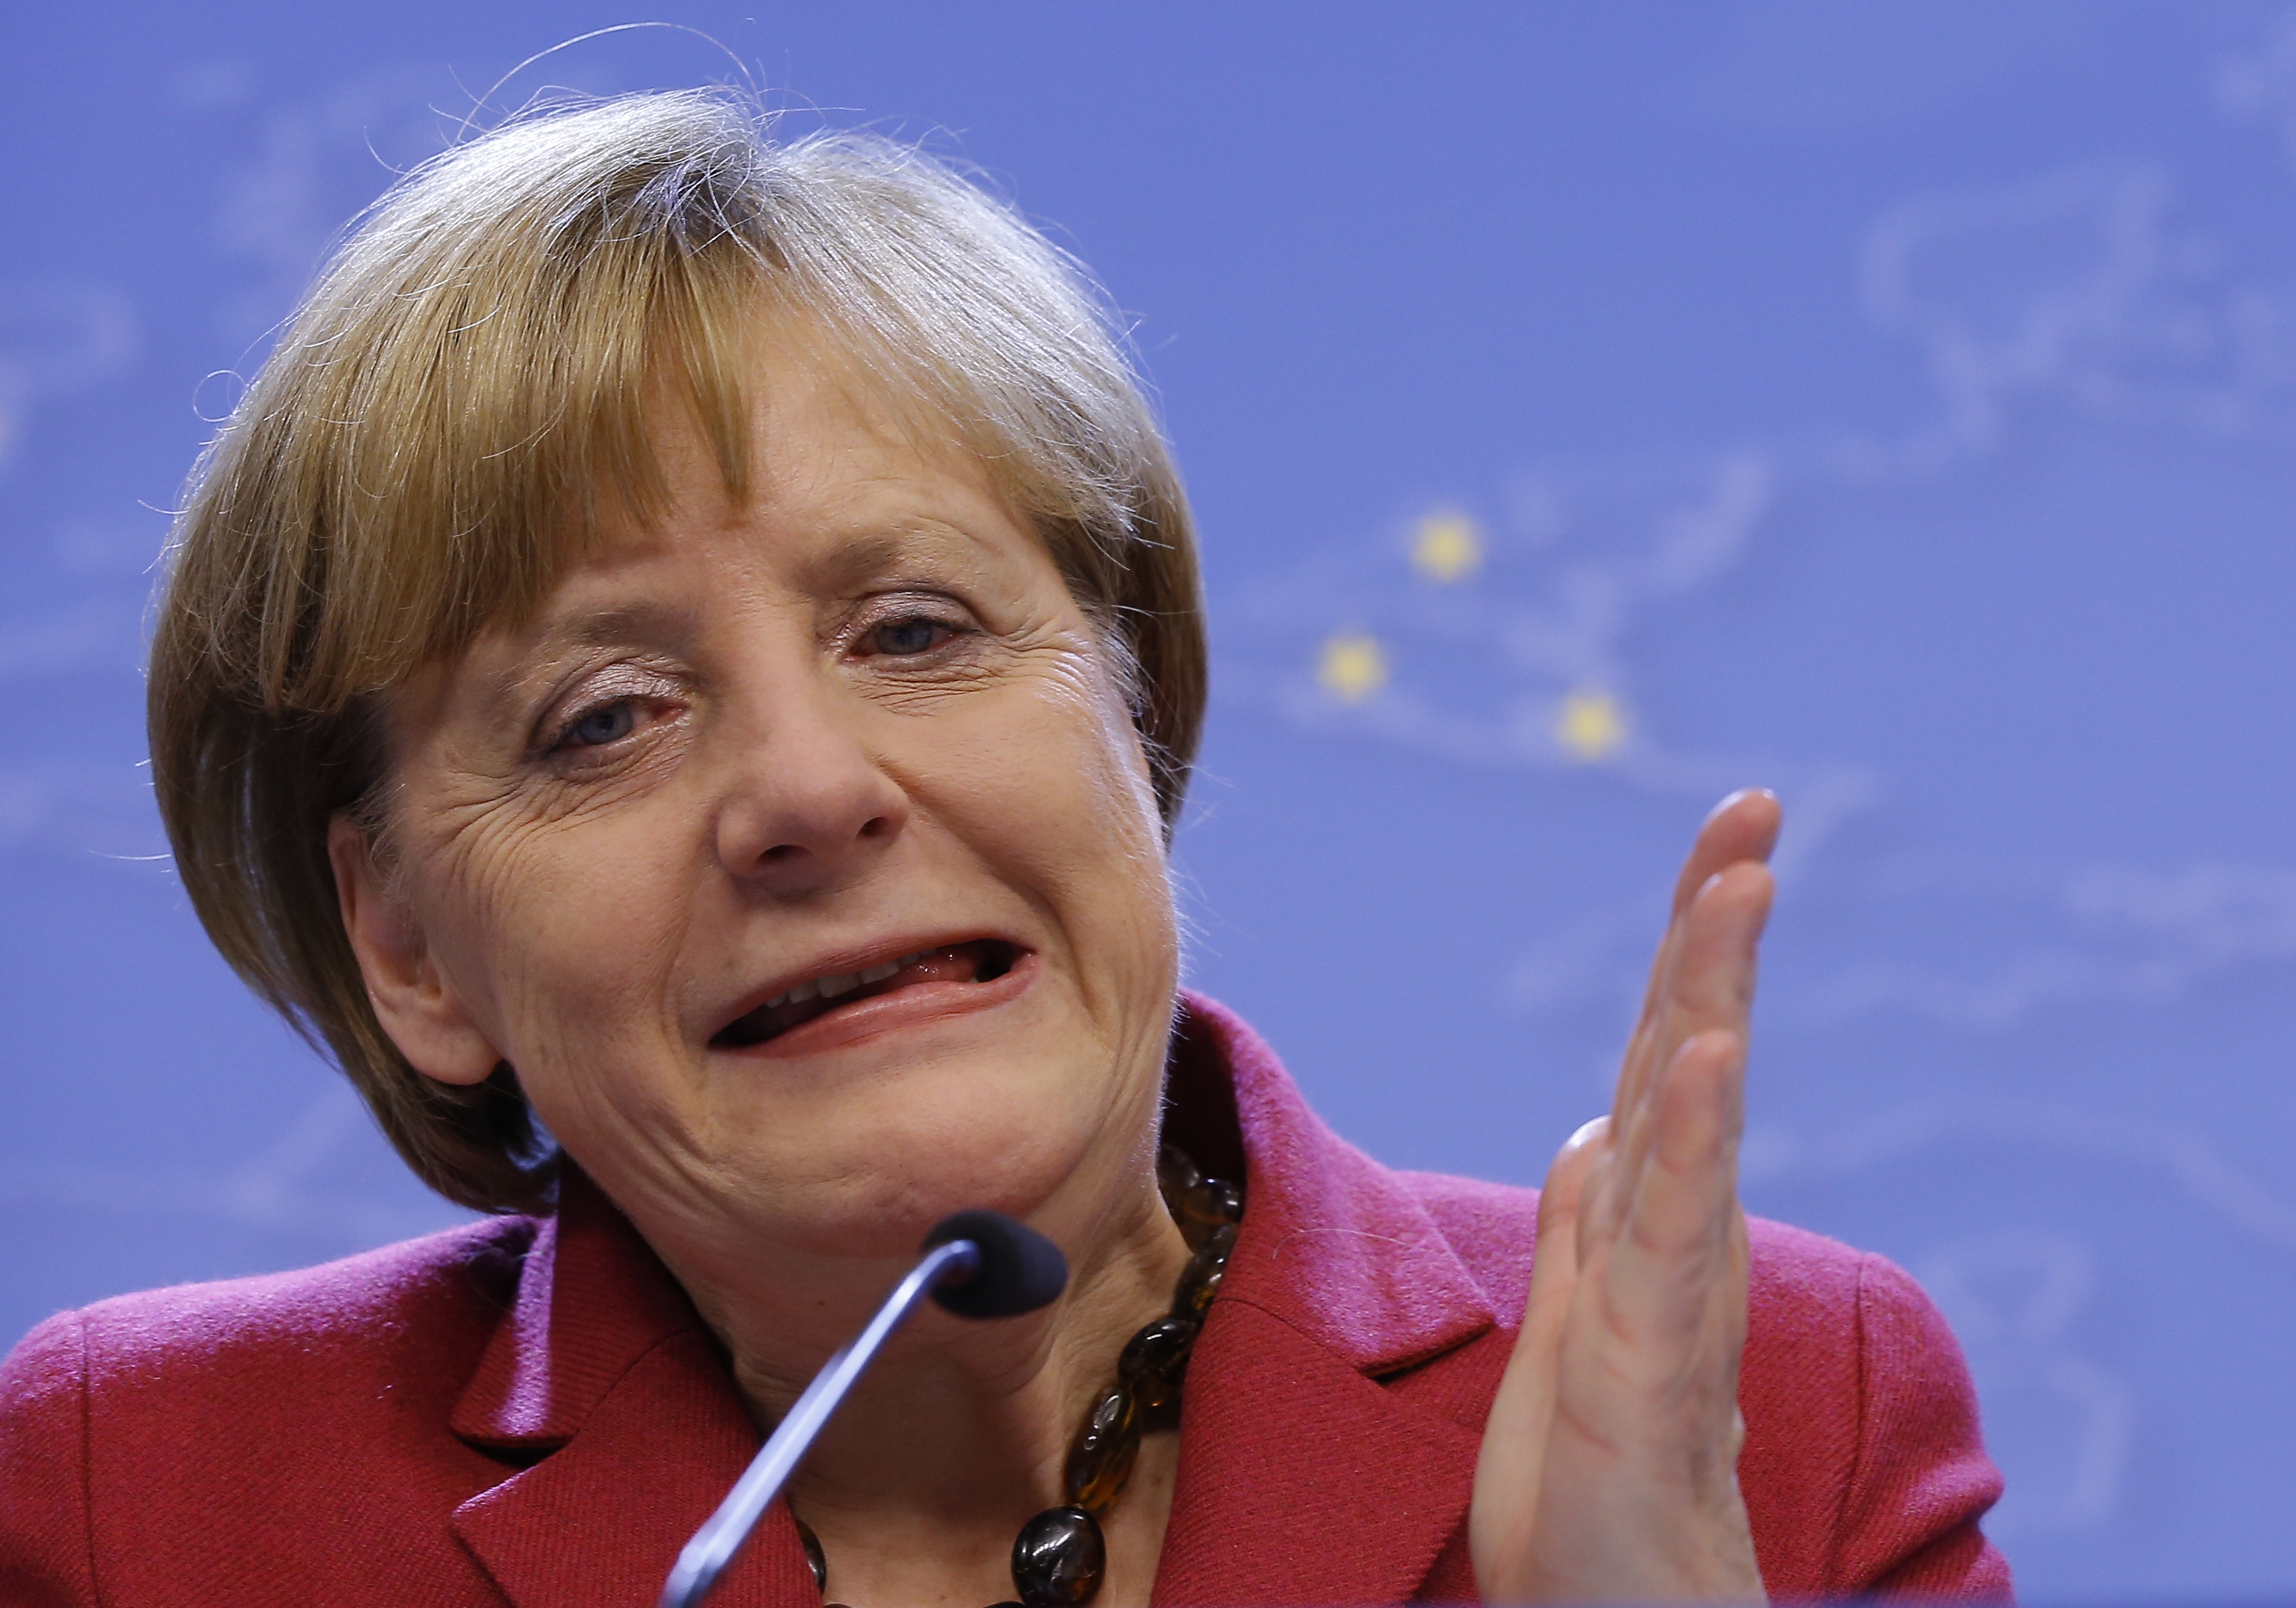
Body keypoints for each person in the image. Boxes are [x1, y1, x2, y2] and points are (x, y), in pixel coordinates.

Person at [0, 90, 2008, 1607]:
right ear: (409, 953)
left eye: (915, 631)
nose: (810, 792)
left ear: (1130, 702)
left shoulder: (1781, 1412)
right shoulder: (145, 1504)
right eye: (604, 717)